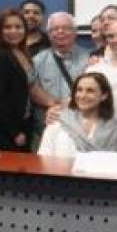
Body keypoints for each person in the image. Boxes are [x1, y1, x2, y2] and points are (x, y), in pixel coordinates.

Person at [0, 9, 57, 151]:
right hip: (3, 130)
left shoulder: (21, 53)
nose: (14, 31)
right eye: (8, 27)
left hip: (23, 124)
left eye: (18, 27)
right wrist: (13, 131)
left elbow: (31, 87)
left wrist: (56, 103)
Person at [31, 12, 90, 147]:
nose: (60, 32)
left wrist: (63, 106)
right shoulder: (37, 60)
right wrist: (55, 104)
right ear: (49, 34)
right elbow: (32, 89)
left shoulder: (89, 59)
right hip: (45, 128)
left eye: (66, 28)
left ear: (75, 32)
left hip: (80, 130)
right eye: (55, 29)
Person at [37, 72, 117, 158]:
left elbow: (114, 165)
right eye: (79, 90)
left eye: (90, 91)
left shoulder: (116, 129)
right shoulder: (57, 121)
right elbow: (43, 158)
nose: (83, 95)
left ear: (104, 95)